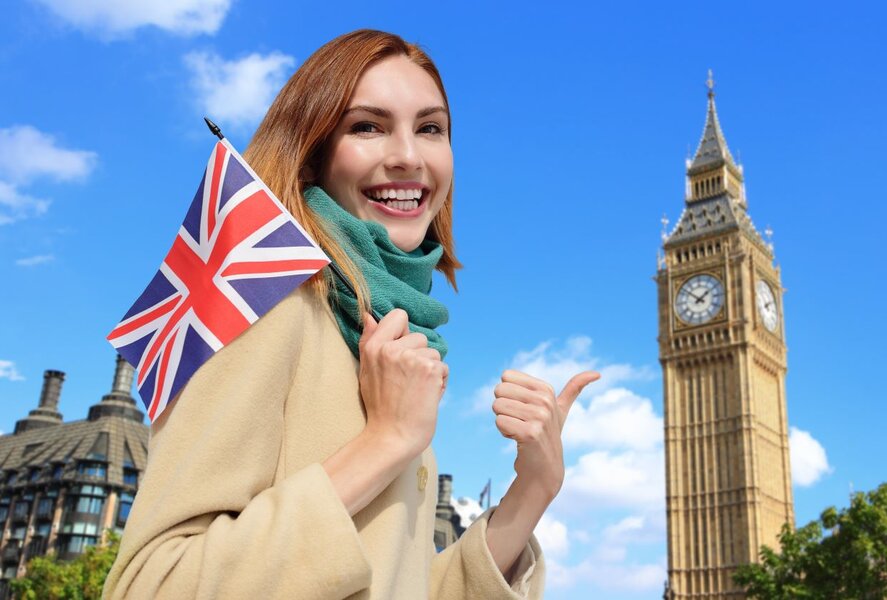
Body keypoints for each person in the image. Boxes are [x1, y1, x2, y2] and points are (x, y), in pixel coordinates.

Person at [103, 29, 599, 599]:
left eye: (431, 129)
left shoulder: (393, 341)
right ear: (311, 156)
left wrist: (534, 488)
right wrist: (384, 442)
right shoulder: (270, 306)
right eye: (368, 126)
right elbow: (151, 586)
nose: (409, 157)